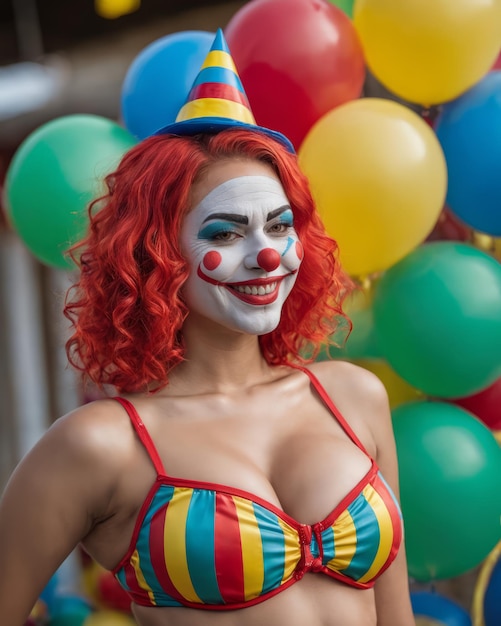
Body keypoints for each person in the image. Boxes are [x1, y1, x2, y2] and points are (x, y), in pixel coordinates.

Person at [0, 30, 416, 626]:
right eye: (224, 233)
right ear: (153, 255)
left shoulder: (353, 397)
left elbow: (394, 616)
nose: (267, 256)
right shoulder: (99, 446)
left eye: (279, 226)